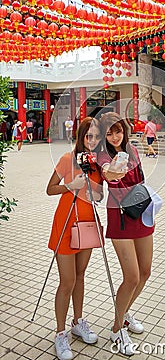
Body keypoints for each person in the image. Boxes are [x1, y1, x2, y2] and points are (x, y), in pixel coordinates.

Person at [98, 112, 154, 356]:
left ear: (124, 130)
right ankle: (116, 328)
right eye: (109, 133)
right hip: (119, 217)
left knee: (145, 272)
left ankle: (126, 312)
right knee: (130, 276)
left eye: (117, 131)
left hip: (140, 211)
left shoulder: (132, 149)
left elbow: (141, 179)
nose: (114, 137)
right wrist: (111, 172)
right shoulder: (103, 155)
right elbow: (107, 173)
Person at [47, 117, 103, 360]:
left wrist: (93, 185)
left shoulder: (97, 163)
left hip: (88, 223)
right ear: (80, 136)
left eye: (96, 136)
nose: (92, 141)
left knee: (80, 276)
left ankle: (78, 321)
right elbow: (50, 189)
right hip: (66, 223)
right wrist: (70, 185)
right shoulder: (67, 159)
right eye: (88, 136)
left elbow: (100, 195)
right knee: (67, 281)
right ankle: (60, 333)